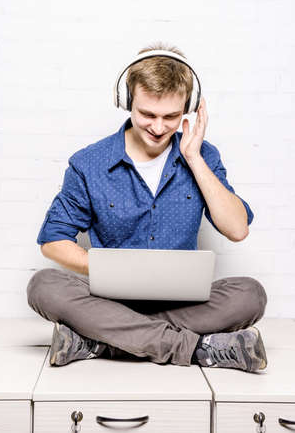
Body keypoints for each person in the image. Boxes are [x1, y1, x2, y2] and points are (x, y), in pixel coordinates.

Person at [27, 42, 268, 372]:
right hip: (107, 301)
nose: (158, 127)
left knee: (250, 295)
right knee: (43, 286)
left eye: (171, 116)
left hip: (181, 304)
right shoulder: (89, 163)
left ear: (189, 107)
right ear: (127, 102)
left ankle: (101, 341)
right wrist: (107, 269)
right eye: (147, 115)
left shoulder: (204, 156)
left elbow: (237, 229)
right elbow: (53, 241)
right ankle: (197, 349)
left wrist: (194, 158)